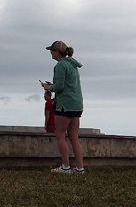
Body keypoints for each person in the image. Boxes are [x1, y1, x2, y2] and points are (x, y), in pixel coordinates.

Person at [42, 41, 84, 174]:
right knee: (74, 137)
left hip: (65, 105)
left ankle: (65, 167)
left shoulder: (60, 66)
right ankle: (80, 168)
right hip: (76, 104)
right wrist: (54, 85)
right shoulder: (73, 65)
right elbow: (66, 84)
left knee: (60, 135)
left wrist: (49, 87)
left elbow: (59, 87)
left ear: (57, 52)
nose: (50, 52)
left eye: (52, 50)